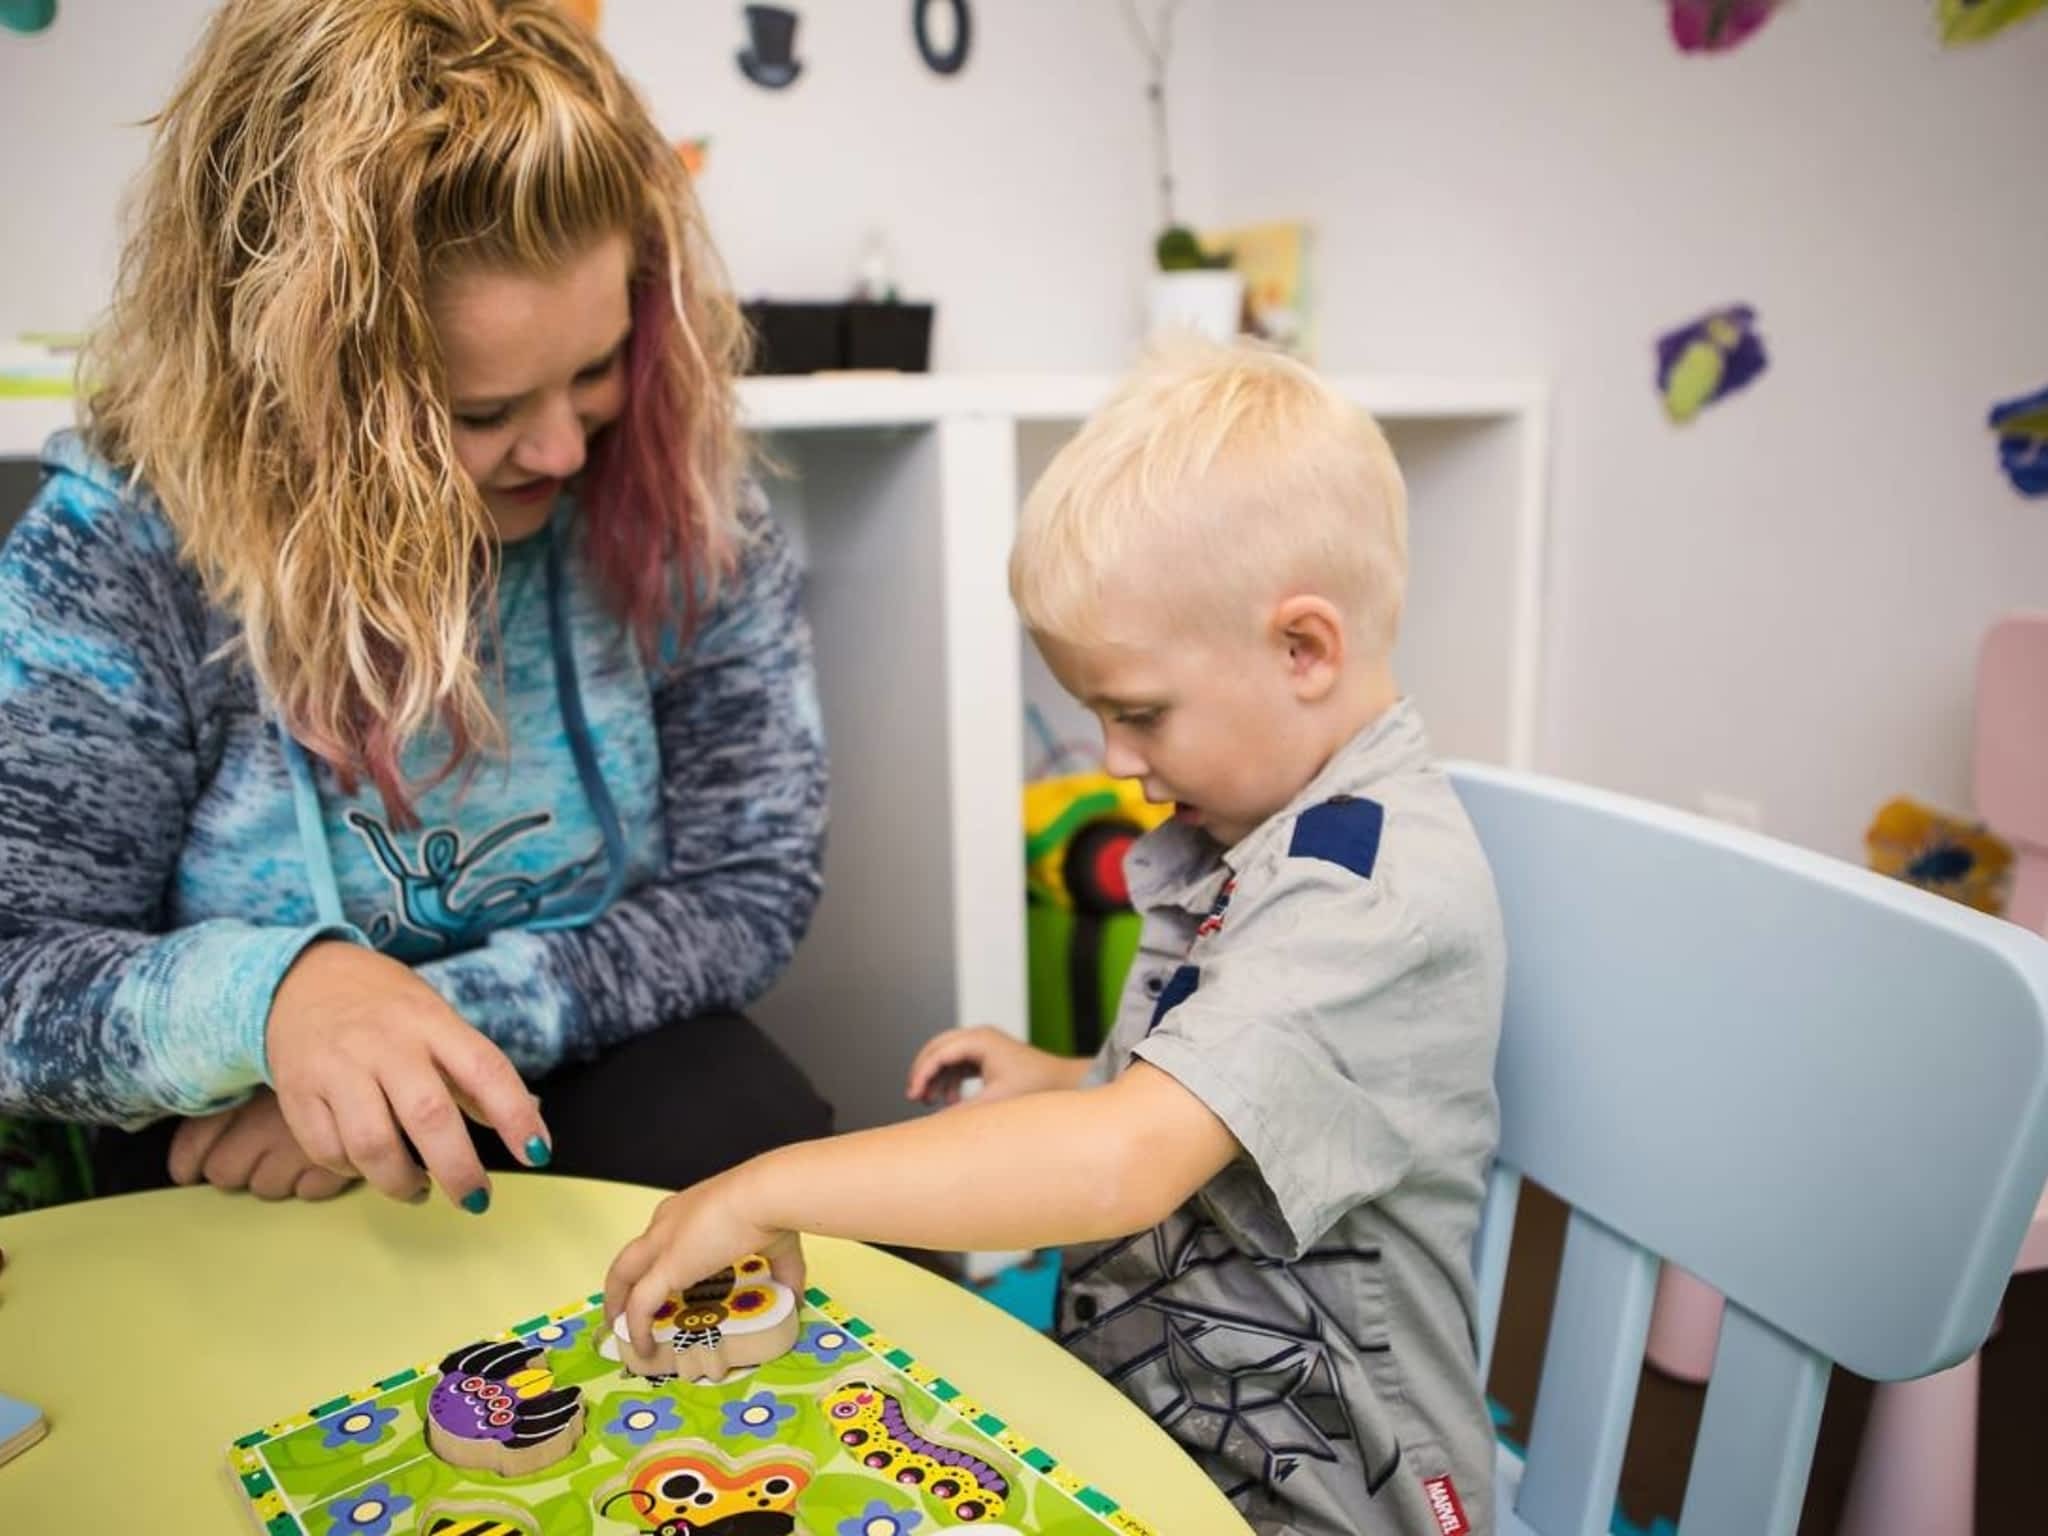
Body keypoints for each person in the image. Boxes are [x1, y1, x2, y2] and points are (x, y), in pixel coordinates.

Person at [603, 339, 1507, 1536]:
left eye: (1138, 715)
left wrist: (773, 1188)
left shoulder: (1366, 893)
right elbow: (1227, 1104)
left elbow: (1126, 1162)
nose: (1115, 762)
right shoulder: (1255, 821)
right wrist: (1069, 1080)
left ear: (1303, 649)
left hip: (1322, 1500)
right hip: (1148, 1425)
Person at [0, 0, 831, 1215]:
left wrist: (420, 1031)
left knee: (744, 1126)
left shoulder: (679, 499)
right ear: (289, 384)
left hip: (570, 1059)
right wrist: (279, 1004)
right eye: (479, 413)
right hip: (234, 1122)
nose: (559, 448)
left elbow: (749, 880)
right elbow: (18, 968)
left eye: (595, 369)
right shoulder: (119, 552)